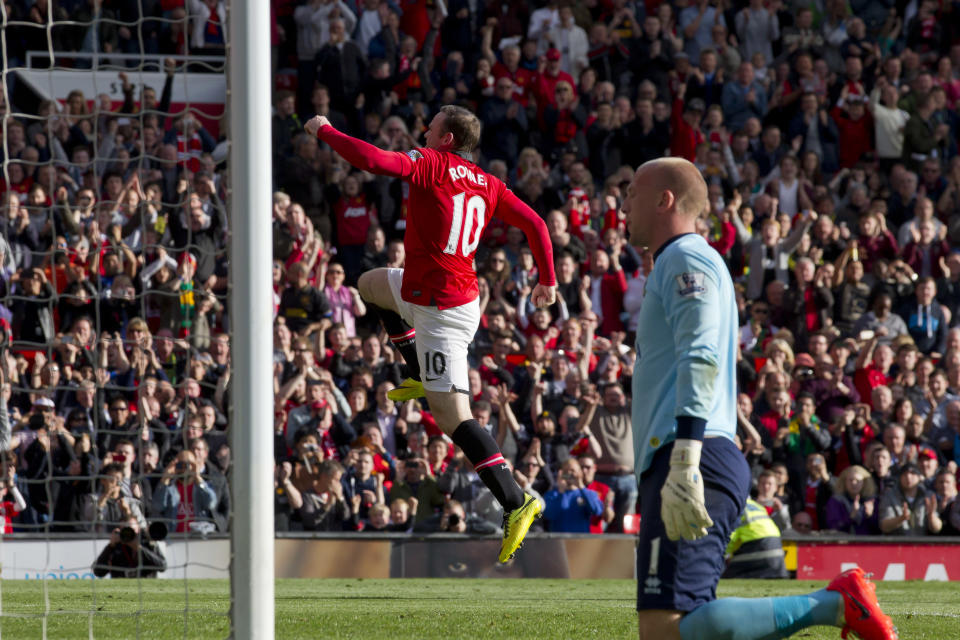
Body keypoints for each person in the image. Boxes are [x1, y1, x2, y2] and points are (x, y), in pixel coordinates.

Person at [622, 156, 896, 640]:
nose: (623, 203)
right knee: (669, 628)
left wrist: (686, 456)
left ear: (664, 199)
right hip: (687, 451)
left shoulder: (686, 258)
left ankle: (835, 603)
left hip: (691, 452)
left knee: (666, 629)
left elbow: (702, 354)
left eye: (632, 193)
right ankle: (834, 603)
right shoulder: (677, 261)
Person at [305, 106, 558, 564]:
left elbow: (375, 162)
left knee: (452, 419)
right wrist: (548, 278)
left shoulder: (431, 164)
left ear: (446, 139)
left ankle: (516, 501)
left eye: (433, 124)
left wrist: (326, 129)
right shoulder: (489, 183)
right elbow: (537, 225)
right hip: (427, 291)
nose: (424, 128)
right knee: (369, 286)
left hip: (442, 313)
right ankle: (417, 370)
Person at [92, 516, 167, 578]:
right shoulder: (116, 546)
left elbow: (162, 566)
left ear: (138, 529)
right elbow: (98, 572)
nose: (129, 534)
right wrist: (110, 547)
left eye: (132, 530)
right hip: (121, 590)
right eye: (126, 530)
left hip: (146, 588)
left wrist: (140, 549)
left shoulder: (147, 543)